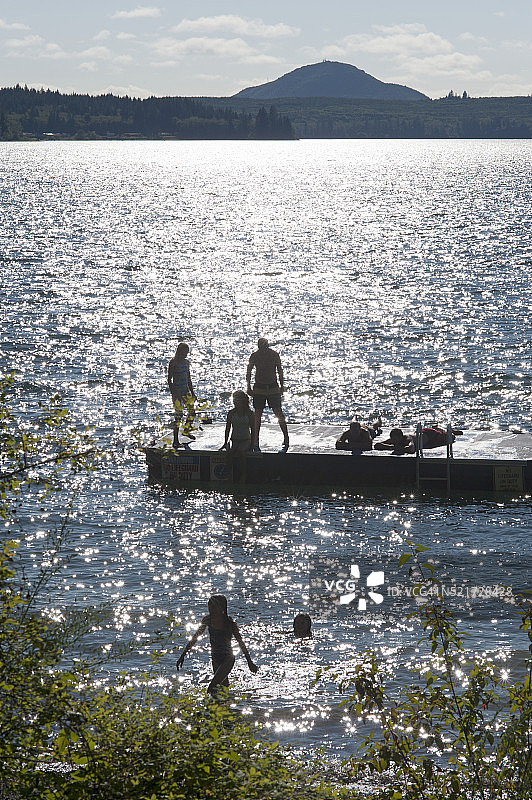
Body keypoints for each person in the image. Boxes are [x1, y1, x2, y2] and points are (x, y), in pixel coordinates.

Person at [176, 595, 258, 695]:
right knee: (222, 689)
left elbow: (241, 643)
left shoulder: (229, 623)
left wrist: (249, 662)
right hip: (215, 658)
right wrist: (183, 655)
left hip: (227, 658)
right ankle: (230, 707)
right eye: (209, 606)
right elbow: (195, 638)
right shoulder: (207, 620)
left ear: (222, 608)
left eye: (214, 606)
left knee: (211, 688)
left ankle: (209, 708)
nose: (211, 609)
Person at [246, 338, 289, 452]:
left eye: (265, 347)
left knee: (278, 412)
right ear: (259, 347)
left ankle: (286, 437)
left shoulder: (274, 355)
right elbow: (249, 371)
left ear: (268, 346)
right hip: (259, 388)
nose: (263, 350)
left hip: (272, 387)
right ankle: (255, 441)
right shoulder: (254, 356)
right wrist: (248, 387)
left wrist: (281, 386)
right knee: (257, 416)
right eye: (261, 347)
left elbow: (280, 370)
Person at [167, 342, 196, 448]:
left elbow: (189, 379)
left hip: (185, 390)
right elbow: (169, 379)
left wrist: (192, 393)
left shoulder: (186, 362)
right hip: (177, 391)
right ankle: (175, 440)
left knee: (192, 413)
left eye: (187, 352)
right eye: (185, 351)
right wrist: (173, 392)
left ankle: (186, 431)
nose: (186, 354)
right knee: (178, 415)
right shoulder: (173, 362)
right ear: (179, 351)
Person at [220, 390, 255, 455]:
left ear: (243, 400)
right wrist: (225, 442)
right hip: (234, 439)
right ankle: (229, 465)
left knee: (241, 452)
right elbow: (227, 429)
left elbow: (253, 429)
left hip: (246, 440)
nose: (235, 401)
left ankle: (242, 465)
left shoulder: (249, 413)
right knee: (230, 452)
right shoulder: (231, 413)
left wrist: (252, 444)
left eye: (237, 399)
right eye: (234, 399)